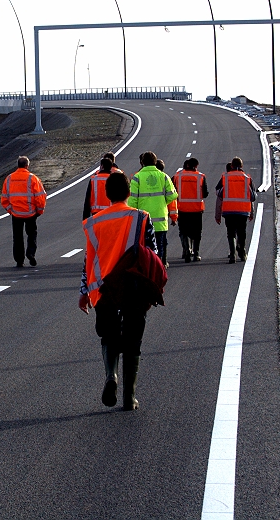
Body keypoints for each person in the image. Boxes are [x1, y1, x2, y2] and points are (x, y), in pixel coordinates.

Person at [78, 171, 160, 411]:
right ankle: (129, 397)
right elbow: (152, 253)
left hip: (104, 289)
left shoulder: (94, 222)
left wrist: (84, 291)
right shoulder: (141, 218)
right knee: (133, 341)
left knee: (109, 337)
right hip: (133, 286)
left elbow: (88, 260)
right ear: (129, 193)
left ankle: (111, 376)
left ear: (106, 195)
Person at [128, 152, 177, 265]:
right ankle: (159, 268)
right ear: (155, 162)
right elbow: (172, 195)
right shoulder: (163, 176)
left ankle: (149, 269)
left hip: (143, 220)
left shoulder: (137, 177)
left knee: (146, 248)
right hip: (160, 220)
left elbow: (132, 201)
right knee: (160, 245)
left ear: (142, 162)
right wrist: (161, 202)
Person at [1, 155, 47, 267]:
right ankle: (31, 253)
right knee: (31, 234)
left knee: (17, 237)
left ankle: (19, 260)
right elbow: (40, 197)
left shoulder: (9, 178)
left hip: (16, 213)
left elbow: (4, 198)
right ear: (27, 165)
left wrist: (10, 210)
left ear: (18, 165)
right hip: (30, 213)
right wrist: (39, 211)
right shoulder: (33, 178)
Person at [215, 156, 257, 263]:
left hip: (229, 211)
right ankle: (242, 253)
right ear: (242, 166)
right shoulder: (247, 178)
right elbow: (253, 197)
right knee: (242, 232)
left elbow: (219, 193)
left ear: (232, 166)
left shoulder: (225, 177)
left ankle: (232, 254)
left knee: (231, 232)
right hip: (243, 211)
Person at [173, 157, 210, 262]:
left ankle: (187, 251)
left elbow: (172, 191)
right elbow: (205, 193)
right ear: (196, 166)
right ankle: (196, 253)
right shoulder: (200, 177)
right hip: (196, 210)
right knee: (197, 232)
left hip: (182, 209)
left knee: (183, 231)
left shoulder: (177, 176)